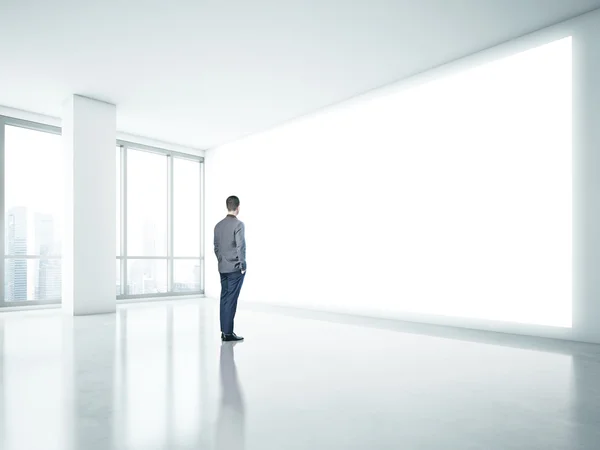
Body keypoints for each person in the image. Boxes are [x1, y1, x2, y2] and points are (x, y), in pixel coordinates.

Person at [214, 195, 246, 341]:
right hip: (234, 268)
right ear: (238, 207)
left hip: (222, 268)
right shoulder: (238, 225)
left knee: (224, 298)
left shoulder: (218, 225)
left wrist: (221, 260)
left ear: (228, 206)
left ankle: (224, 331)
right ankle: (228, 333)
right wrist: (242, 264)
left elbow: (216, 248)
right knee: (231, 300)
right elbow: (240, 247)